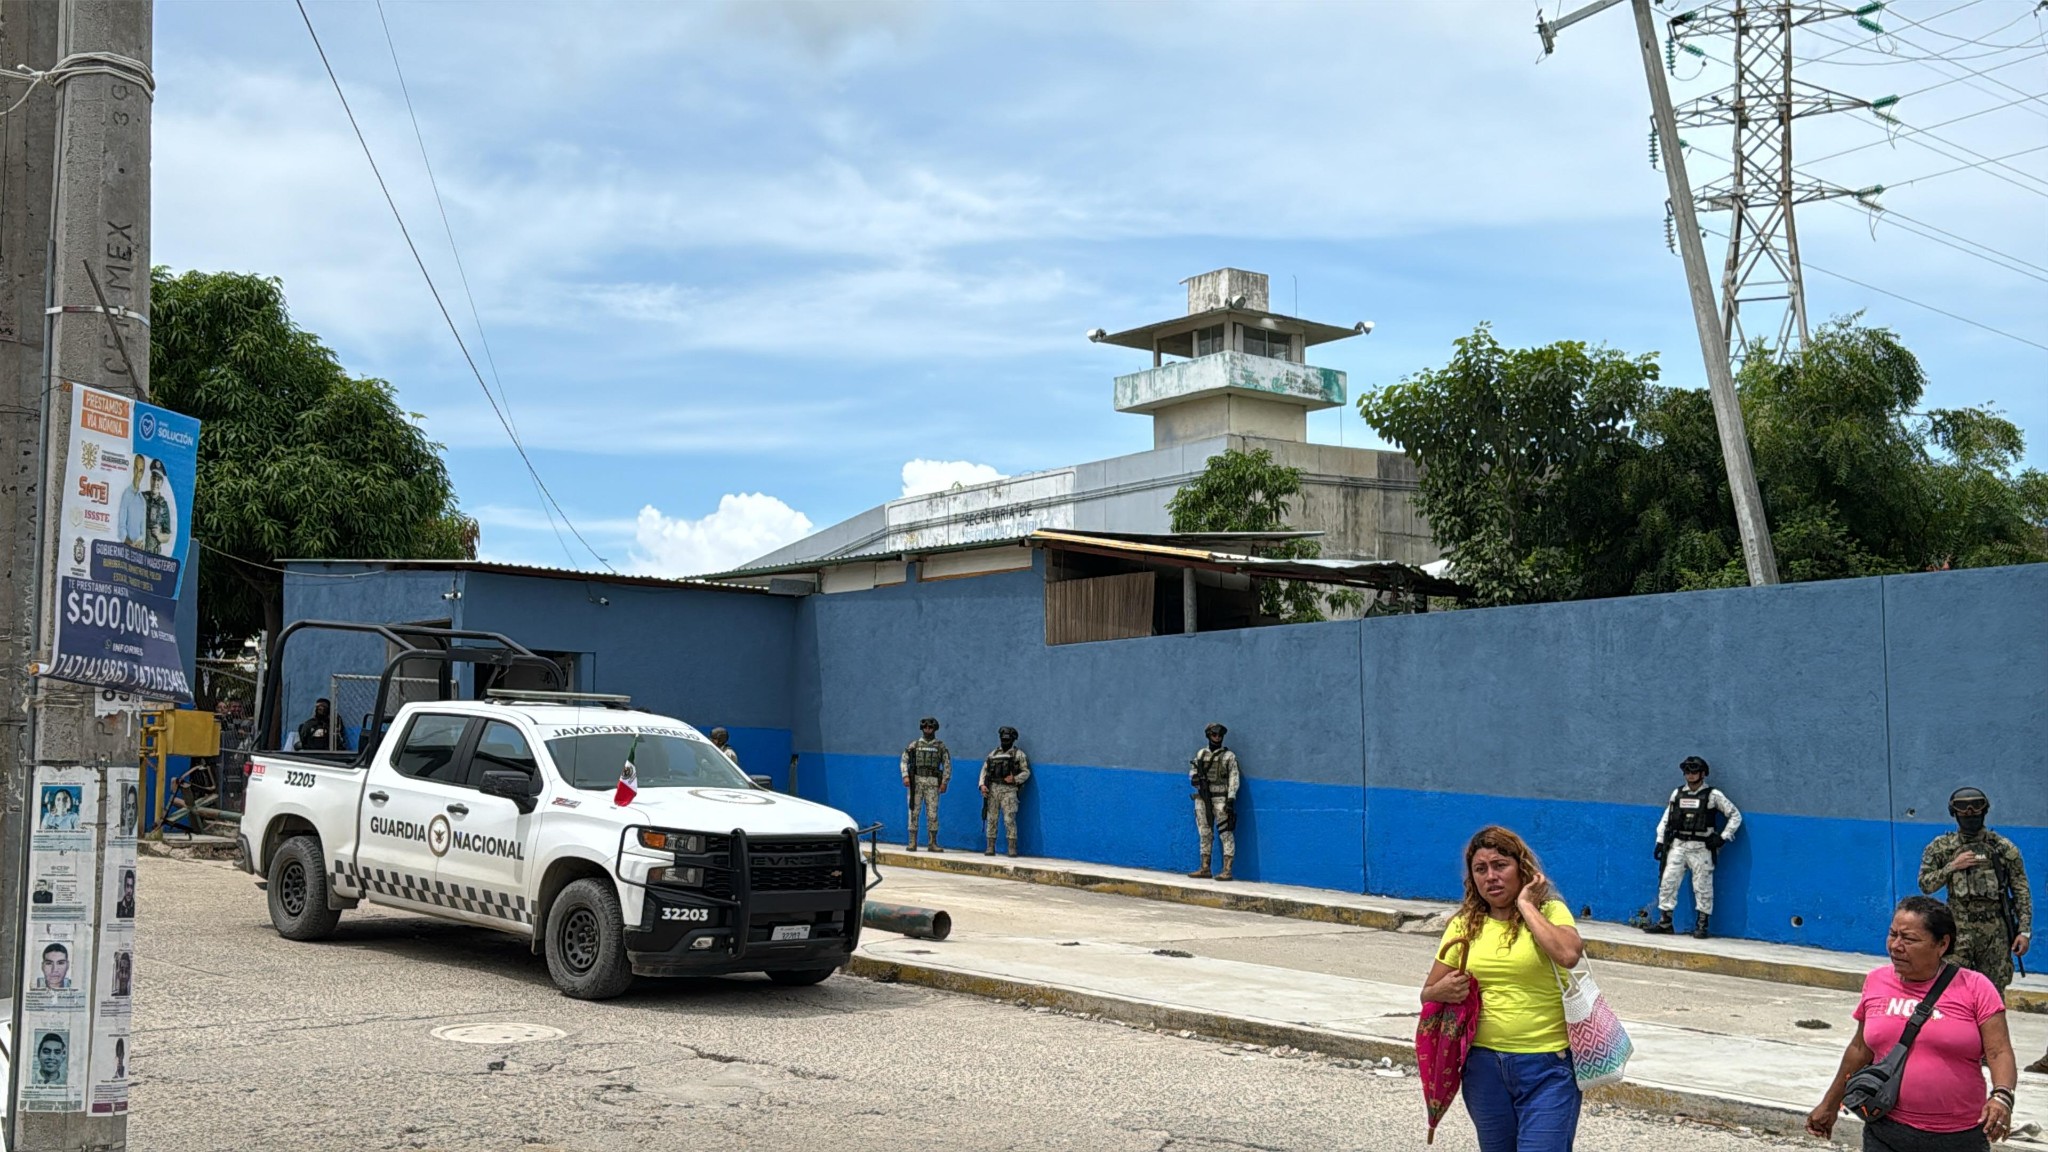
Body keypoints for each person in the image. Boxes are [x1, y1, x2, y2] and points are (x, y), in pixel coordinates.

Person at [1420, 826, 1585, 1152]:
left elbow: (1568, 955)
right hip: (1483, 1069)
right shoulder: (1464, 924)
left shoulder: (1551, 912)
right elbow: (1427, 993)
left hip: (1548, 1067)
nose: (1491, 877)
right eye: (1480, 869)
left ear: (1521, 868)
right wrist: (1445, 990)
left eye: (1500, 865)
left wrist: (1526, 906)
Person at [1807, 896, 2016, 1150]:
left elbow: (1999, 1051)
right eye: (1893, 934)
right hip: (1885, 1130)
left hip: (1959, 1137)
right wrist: (1830, 1103)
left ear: (1942, 944)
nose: (1896, 945)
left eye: (1909, 939)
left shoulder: (1975, 987)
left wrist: (2002, 1096)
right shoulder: (1876, 982)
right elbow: (1860, 1049)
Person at [1916, 786, 2040, 1073]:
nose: (1970, 815)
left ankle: (1989, 1052)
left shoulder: (2003, 848)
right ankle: (1949, 1045)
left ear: (1985, 811)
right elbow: (1926, 884)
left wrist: (2024, 931)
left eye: (1975, 809)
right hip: (1957, 931)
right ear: (1953, 813)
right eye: (1963, 810)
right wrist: (1952, 866)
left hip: (1995, 932)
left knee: (1992, 994)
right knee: (1947, 989)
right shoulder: (1941, 848)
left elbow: (2021, 891)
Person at [1644, 755, 1743, 939]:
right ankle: (1665, 922)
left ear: (1703, 773)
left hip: (1701, 847)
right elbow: (1667, 817)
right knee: (1668, 882)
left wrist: (1722, 837)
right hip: (1678, 845)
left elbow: (1735, 815)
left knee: (1703, 886)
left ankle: (1702, 925)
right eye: (1687, 771)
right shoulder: (1678, 793)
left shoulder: (1713, 795)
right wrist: (1659, 841)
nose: (1690, 775)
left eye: (1694, 771)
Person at [1188, 723, 1241, 881]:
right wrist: (1195, 779)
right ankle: (1205, 867)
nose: (1217, 738)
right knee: (1205, 832)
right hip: (1203, 798)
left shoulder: (1228, 756)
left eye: (1219, 735)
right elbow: (1192, 772)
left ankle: (1227, 870)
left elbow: (1234, 777)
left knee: (1226, 833)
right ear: (1208, 735)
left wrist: (1231, 798)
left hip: (1221, 799)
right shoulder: (1201, 754)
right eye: (1214, 735)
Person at [899, 717, 950, 852]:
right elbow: (904, 760)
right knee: (913, 812)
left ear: (934, 729)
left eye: (930, 727)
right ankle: (912, 842)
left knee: (932, 814)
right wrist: (905, 775)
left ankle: (932, 843)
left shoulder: (940, 746)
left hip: (933, 783)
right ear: (922, 729)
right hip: (916, 782)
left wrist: (944, 781)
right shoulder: (914, 745)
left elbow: (947, 764)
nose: (928, 729)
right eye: (925, 727)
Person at [978, 726, 1030, 858]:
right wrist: (982, 785)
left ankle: (1012, 848)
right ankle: (990, 846)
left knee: (1009, 819)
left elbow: (1026, 772)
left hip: (1009, 790)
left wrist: (1015, 779)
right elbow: (984, 770)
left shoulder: (1018, 755)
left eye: (1008, 739)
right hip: (993, 789)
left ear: (1013, 740)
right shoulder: (993, 754)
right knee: (992, 818)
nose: (1005, 741)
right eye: (1003, 738)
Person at [143, 457, 175, 555]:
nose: (155, 483)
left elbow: (168, 535)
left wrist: (159, 535)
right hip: (137, 550)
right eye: (154, 479)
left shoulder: (163, 506)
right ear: (150, 479)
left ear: (161, 483)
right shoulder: (141, 497)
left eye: (158, 480)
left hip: (153, 553)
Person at [117, 455, 148, 549]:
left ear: (143, 473)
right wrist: (130, 544)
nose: (138, 474)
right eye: (136, 468)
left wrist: (140, 544)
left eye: (141, 470)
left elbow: (143, 532)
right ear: (133, 469)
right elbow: (121, 527)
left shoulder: (142, 501)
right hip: (126, 550)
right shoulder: (126, 494)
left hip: (138, 552)